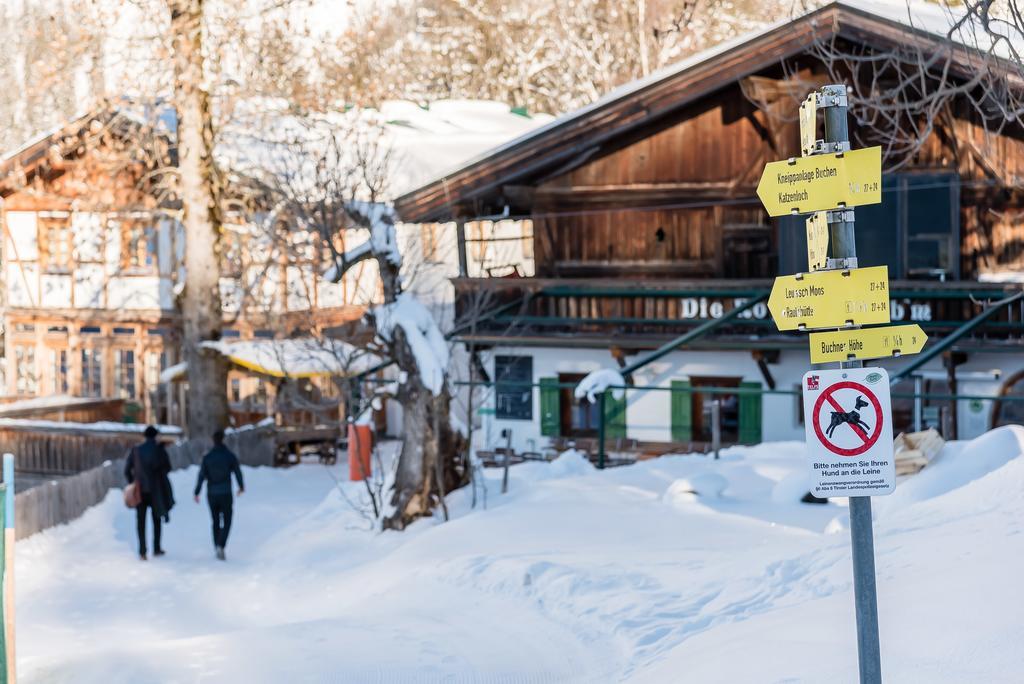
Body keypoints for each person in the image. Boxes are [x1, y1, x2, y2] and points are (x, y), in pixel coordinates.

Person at [124, 425, 174, 560]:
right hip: (156, 490)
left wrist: (133, 482)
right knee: (156, 519)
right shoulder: (159, 450)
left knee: (141, 522)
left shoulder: (136, 450)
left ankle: (142, 552)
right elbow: (168, 468)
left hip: (140, 490)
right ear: (155, 435)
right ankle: (156, 548)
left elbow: (127, 470)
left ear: (144, 436)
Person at [194, 430, 245, 560]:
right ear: (223, 439)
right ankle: (221, 545)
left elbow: (201, 475)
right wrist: (241, 486)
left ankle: (217, 544)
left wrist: (197, 491)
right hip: (226, 493)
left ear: (213, 440)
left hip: (212, 494)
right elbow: (237, 471)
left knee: (215, 520)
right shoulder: (229, 456)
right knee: (227, 520)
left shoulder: (208, 457)